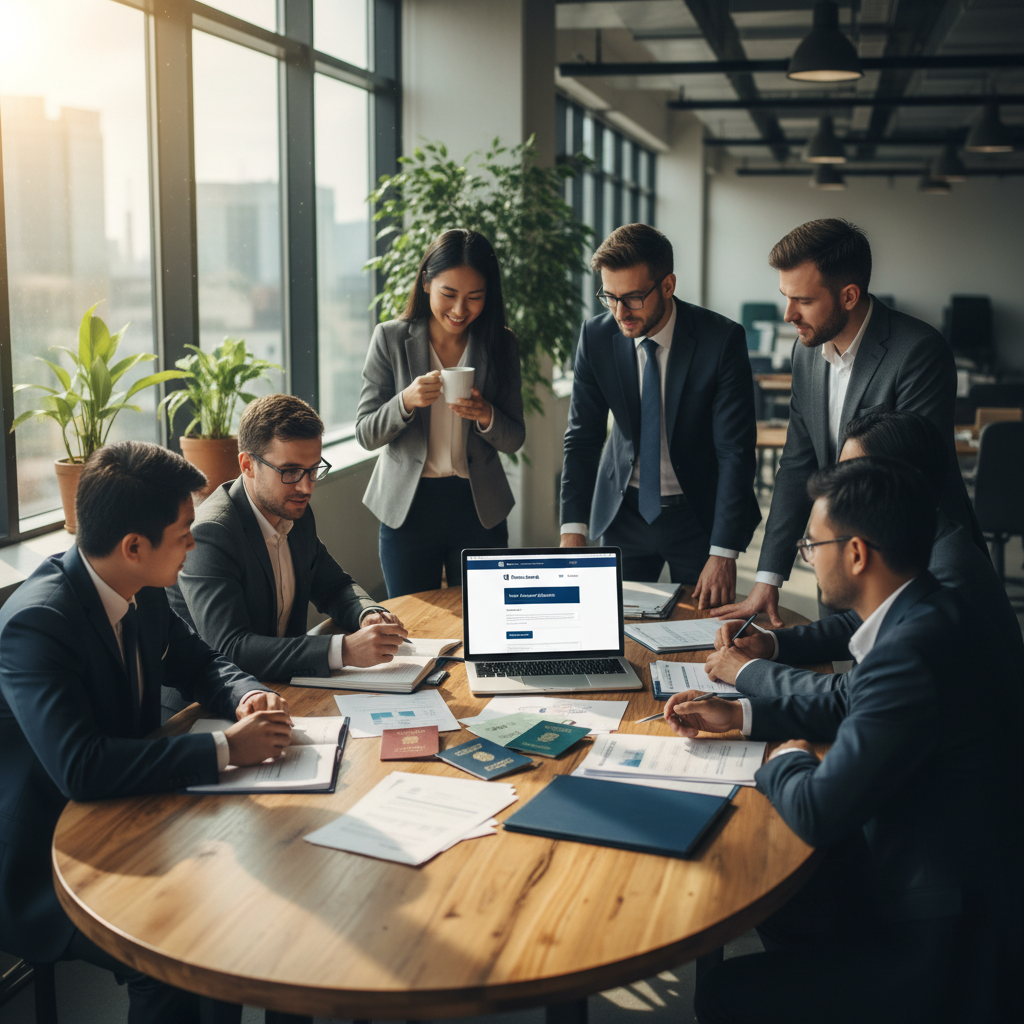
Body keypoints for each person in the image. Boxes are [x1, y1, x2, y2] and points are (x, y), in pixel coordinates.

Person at [666, 459, 1020, 1024]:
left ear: (856, 553)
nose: (807, 554)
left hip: (940, 939)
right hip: (940, 877)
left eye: (812, 543)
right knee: (785, 895)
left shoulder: (909, 650)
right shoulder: (931, 610)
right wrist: (737, 713)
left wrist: (787, 759)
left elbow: (816, 810)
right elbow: (844, 699)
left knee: (722, 992)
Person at [0, 441, 293, 1024]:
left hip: (130, 813)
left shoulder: (143, 589)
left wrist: (243, 693)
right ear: (134, 547)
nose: (194, 541)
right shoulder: (38, 623)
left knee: (235, 913)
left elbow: (202, 662)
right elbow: (80, 768)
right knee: (170, 961)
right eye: (184, 531)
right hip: (46, 859)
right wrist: (225, 747)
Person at [712, 218, 984, 627]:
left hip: (911, 570)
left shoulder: (918, 352)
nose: (788, 315)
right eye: (785, 296)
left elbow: (907, 481)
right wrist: (769, 577)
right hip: (839, 558)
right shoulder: (807, 353)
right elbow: (797, 464)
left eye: (802, 300)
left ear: (849, 295)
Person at [718, 409, 1024, 697]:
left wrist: (747, 672)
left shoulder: (949, 575)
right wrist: (770, 643)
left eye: (852, 476)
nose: (837, 490)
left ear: (901, 482)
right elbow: (860, 622)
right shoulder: (922, 537)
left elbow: (854, 697)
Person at [560, 223, 760, 604]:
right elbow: (582, 439)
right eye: (610, 297)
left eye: (633, 298)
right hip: (623, 512)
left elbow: (734, 451)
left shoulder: (720, 340)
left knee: (705, 633)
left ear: (667, 285)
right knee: (614, 632)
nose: (621, 313)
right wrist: (573, 527)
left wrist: (723, 551)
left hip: (698, 516)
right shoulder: (596, 336)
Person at [170, 394, 405, 685]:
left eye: (313, 469)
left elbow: (334, 586)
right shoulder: (212, 534)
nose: (306, 487)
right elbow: (230, 648)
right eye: (290, 471)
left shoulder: (295, 512)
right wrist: (343, 650)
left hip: (282, 686)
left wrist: (368, 613)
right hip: (204, 707)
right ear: (247, 465)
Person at [356, 228, 526, 597]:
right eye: (449, 294)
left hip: (478, 506)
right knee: (413, 626)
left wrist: (485, 415)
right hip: (408, 508)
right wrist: (405, 401)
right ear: (426, 283)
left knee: (485, 624)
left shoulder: (501, 344)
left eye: (475, 297)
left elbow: (514, 437)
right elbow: (366, 433)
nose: (460, 310)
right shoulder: (390, 338)